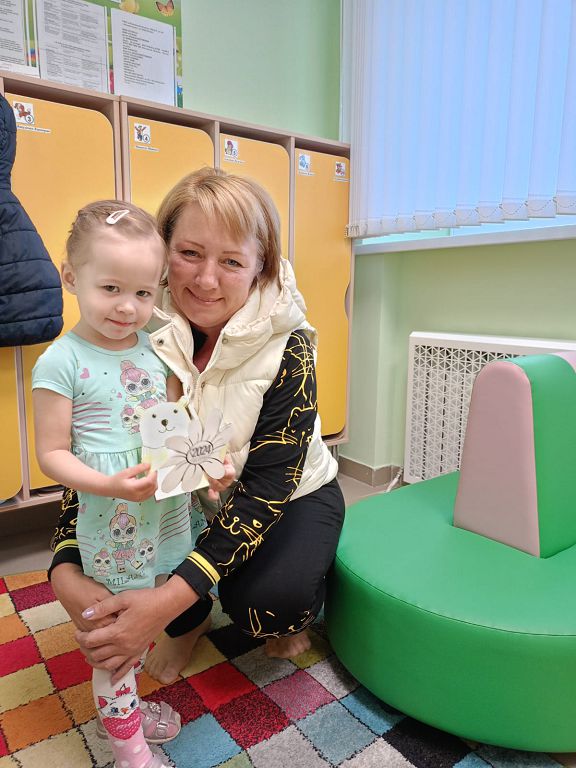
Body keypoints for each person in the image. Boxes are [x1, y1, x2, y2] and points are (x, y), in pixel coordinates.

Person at [47, 167, 345, 694]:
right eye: (189, 253)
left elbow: (268, 488)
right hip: (186, 498)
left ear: (260, 266)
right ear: (164, 252)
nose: (206, 280)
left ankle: (282, 600)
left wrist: (164, 603)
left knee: (266, 606)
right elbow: (96, 448)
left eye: (231, 261)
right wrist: (64, 562)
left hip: (288, 495)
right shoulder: (131, 322)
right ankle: (192, 620)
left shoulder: (290, 347)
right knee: (122, 559)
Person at [32, 201, 202, 768]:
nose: (128, 307)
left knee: (146, 620)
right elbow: (51, 454)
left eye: (144, 293)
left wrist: (204, 471)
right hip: (114, 525)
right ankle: (131, 752)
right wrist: (107, 483)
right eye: (111, 289)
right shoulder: (61, 360)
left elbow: (173, 427)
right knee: (117, 642)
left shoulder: (158, 349)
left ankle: (126, 711)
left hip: (165, 513)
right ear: (71, 276)